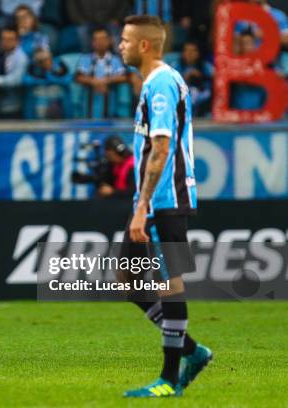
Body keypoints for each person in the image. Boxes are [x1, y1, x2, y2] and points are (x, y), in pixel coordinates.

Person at [118, 15, 212, 397]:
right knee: (130, 280)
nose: (119, 45)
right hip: (155, 201)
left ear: (144, 45)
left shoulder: (160, 84)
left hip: (164, 200)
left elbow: (161, 147)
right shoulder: (158, 81)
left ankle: (169, 379)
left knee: (171, 282)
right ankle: (192, 351)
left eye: (125, 40)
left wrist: (142, 207)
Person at [75, 27, 127, 119]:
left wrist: (105, 81)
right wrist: (93, 82)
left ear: (109, 41)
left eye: (103, 39)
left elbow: (123, 77)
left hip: (110, 104)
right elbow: (79, 77)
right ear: (92, 43)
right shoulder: (85, 59)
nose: (100, 42)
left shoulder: (115, 60)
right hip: (88, 107)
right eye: (96, 39)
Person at [0, 26, 27, 118]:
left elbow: (17, 78)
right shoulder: (1, 54)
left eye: (10, 39)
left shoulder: (21, 57)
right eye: (3, 39)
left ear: (17, 41)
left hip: (14, 105)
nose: (6, 42)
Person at [172, 41, 213, 117]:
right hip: (181, 106)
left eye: (193, 50)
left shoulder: (206, 67)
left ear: (198, 53)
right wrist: (184, 78)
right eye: (187, 50)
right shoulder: (175, 67)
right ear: (183, 53)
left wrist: (201, 77)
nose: (189, 53)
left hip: (202, 104)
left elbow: (215, 81)